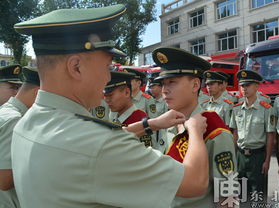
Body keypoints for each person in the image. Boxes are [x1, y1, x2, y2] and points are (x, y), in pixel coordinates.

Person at [11, 5, 209, 208]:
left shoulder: (24, 123)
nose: (108, 77)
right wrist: (194, 131)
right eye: (107, 67)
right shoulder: (98, 143)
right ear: (76, 67)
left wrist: (150, 124)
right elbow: (194, 183)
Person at [152, 47, 237, 207]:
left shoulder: (215, 132)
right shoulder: (168, 123)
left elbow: (227, 195)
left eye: (172, 82)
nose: (164, 90)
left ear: (195, 85)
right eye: (163, 83)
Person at [230, 70, 275, 204]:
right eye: (242, 85)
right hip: (240, 156)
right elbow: (235, 133)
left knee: (258, 195)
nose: (244, 89)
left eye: (248, 85)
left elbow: (270, 136)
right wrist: (234, 157)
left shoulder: (266, 109)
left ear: (256, 87)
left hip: (258, 156)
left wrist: (267, 160)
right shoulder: (236, 108)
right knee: (243, 195)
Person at [0, 67, 40, 208]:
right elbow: (4, 181)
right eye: (13, 87)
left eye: (19, 86)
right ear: (37, 93)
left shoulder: (5, 112)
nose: (17, 91)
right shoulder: (14, 119)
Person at [104, 70, 152, 147]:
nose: (107, 100)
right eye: (105, 96)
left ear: (127, 92)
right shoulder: (116, 117)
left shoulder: (140, 120)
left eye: (110, 95)